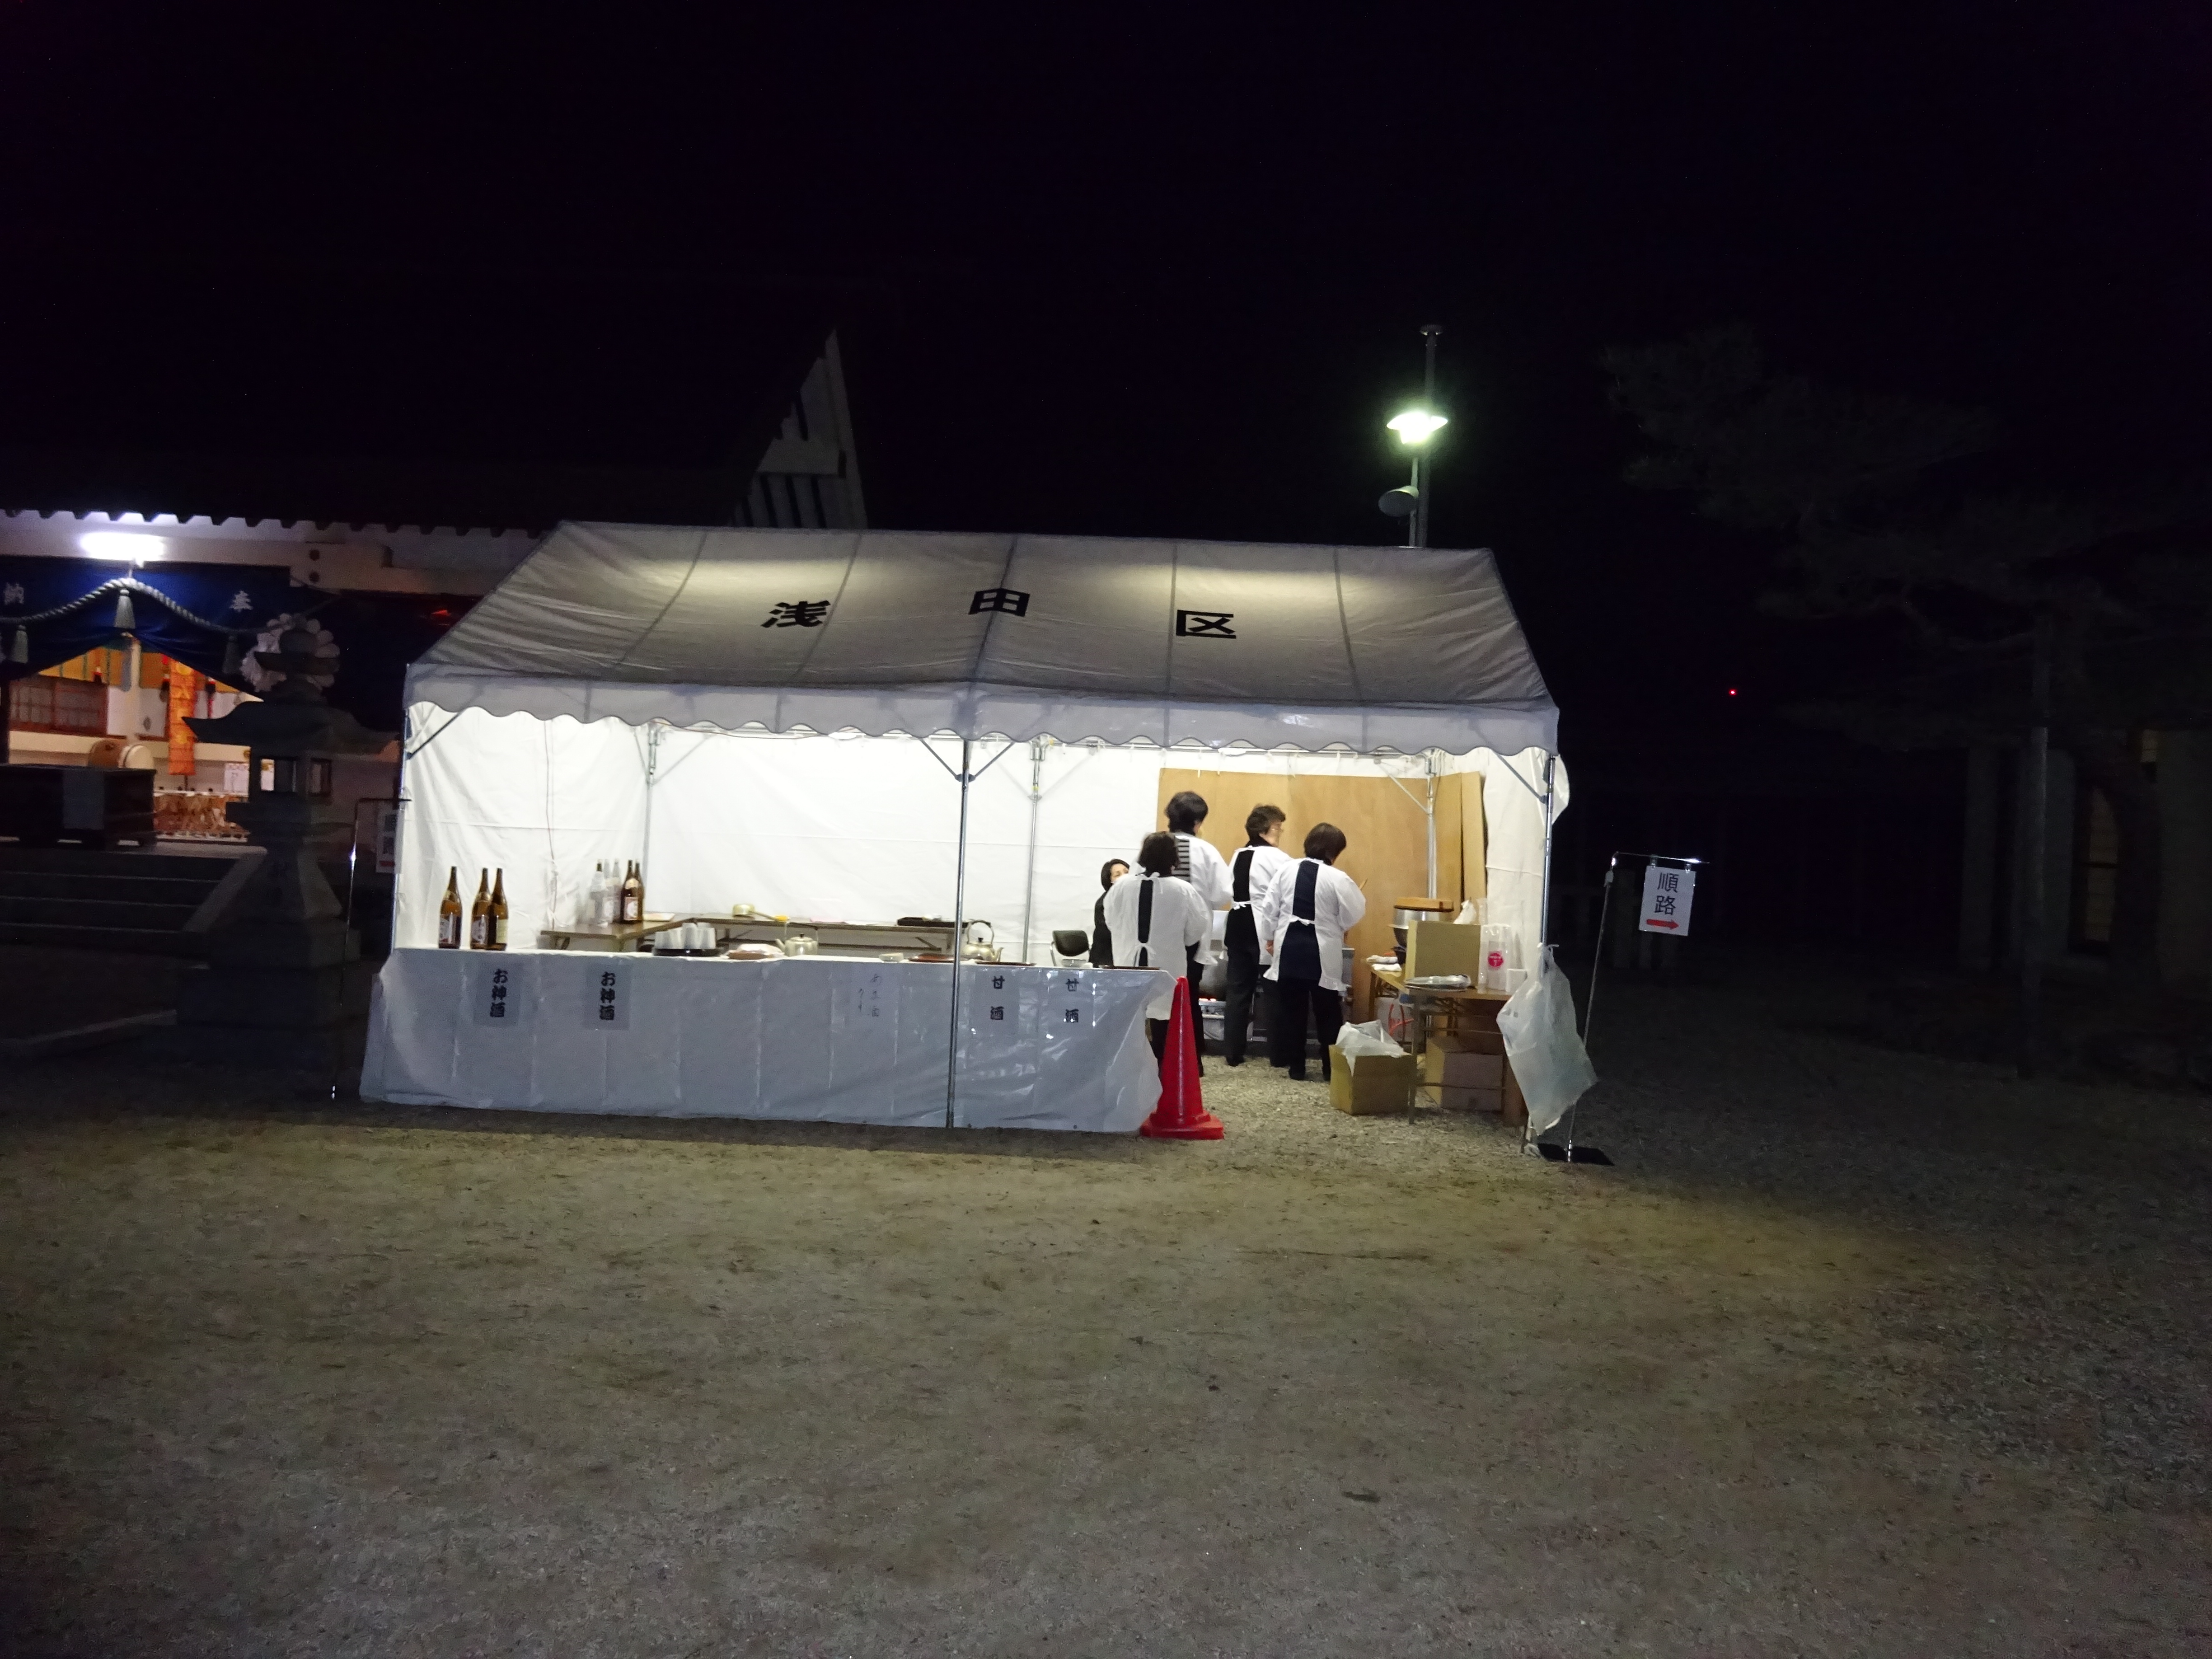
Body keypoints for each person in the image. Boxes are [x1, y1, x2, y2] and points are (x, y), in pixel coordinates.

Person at [1256, 822, 1366, 1082]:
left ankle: (1297, 1068)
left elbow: (1269, 908)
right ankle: (1330, 1070)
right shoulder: (1338, 878)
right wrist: (1339, 924)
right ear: (1334, 852)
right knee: (1328, 1011)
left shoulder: (1286, 870)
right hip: (1321, 950)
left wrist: (1270, 937)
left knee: (1293, 1010)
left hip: (1289, 945)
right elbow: (1355, 911)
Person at [1100, 831, 1211, 1068]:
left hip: (1127, 964)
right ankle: (1163, 1073)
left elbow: (1111, 921)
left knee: (1129, 1023)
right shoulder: (1183, 890)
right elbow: (1196, 929)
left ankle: (1127, 1072)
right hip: (1167, 965)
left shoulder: (1121, 887)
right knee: (1164, 1025)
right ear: (1173, 858)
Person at [1221, 804, 1293, 1067]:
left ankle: (1233, 1053)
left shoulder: (1237, 855)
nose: (1280, 832)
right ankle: (1279, 1055)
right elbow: (1288, 894)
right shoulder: (1278, 859)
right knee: (1274, 991)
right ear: (1265, 830)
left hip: (1236, 924)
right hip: (1262, 926)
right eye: (1278, 827)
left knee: (1237, 990)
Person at [1164, 790, 1233, 909]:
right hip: (1195, 916)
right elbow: (1223, 892)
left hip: (1155, 918)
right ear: (1197, 823)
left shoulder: (1152, 847)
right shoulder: (1207, 851)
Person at [1088, 858, 1129, 968]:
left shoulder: (1131, 899)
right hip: (1106, 960)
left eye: (1127, 872)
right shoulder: (1105, 903)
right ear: (1109, 881)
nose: (1124, 876)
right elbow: (1111, 933)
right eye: (1118, 875)